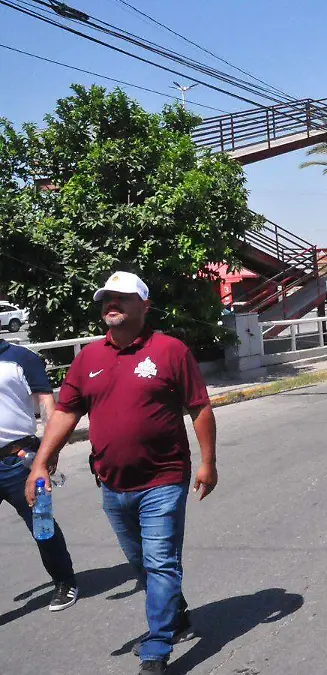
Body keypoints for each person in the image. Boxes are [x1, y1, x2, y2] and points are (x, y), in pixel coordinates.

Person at [27, 271, 217, 675]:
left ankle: (156, 649)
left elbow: (198, 406)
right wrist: (43, 459)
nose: (110, 305)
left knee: (161, 562)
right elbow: (66, 411)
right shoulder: (89, 358)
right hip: (112, 483)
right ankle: (176, 614)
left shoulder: (170, 350)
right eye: (105, 300)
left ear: (144, 306)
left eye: (121, 298)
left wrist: (208, 462)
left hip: (163, 480)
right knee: (141, 563)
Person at [0, 338, 77, 612]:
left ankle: (64, 581)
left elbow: (47, 404)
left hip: (17, 460)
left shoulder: (21, 358)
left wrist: (49, 451)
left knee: (41, 525)